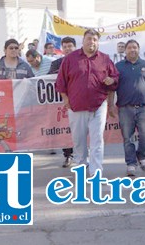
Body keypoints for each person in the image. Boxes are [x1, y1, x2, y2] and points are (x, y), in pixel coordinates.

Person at [55, 29, 119, 176]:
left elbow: (115, 77)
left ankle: (96, 171)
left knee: (97, 140)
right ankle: (81, 166)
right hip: (76, 106)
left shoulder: (105, 59)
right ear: (83, 41)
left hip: (99, 105)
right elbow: (60, 82)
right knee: (79, 141)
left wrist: (112, 80)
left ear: (98, 42)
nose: (92, 42)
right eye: (89, 39)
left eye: (95, 39)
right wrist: (66, 101)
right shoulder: (70, 59)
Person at [114, 40, 145, 176]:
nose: (132, 50)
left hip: (143, 108)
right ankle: (131, 163)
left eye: (135, 47)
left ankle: (141, 155)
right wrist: (110, 105)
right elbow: (112, 88)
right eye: (129, 48)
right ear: (125, 50)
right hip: (125, 108)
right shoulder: (118, 66)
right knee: (127, 138)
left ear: (139, 49)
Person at [47, 36, 77, 165]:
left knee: (82, 130)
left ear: (75, 47)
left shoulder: (82, 61)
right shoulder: (56, 63)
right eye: (65, 47)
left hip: (81, 100)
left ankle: (84, 155)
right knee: (65, 128)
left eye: (70, 46)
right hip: (62, 101)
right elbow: (48, 79)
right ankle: (68, 155)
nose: (67, 48)